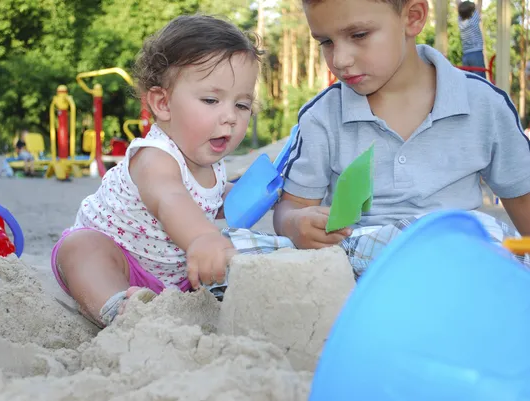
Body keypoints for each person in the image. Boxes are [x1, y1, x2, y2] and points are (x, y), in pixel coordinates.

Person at [51, 15, 293, 328]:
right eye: (211, 100)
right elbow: (170, 199)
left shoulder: (212, 166)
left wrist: (263, 196)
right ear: (163, 104)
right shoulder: (155, 157)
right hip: (118, 259)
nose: (231, 117)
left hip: (172, 279)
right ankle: (116, 307)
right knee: (81, 248)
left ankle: (161, 303)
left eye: (242, 105)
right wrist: (204, 238)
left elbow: (212, 201)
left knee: (221, 259)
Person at [273, 0, 530, 278]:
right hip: (363, 271)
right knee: (240, 247)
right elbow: (292, 207)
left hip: (458, 264)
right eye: (326, 41)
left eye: (358, 35)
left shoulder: (484, 104)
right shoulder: (322, 116)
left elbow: (524, 204)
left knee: (495, 242)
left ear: (413, 18)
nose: (340, 60)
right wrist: (293, 223)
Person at [457, 0, 486, 78]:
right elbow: (479, 6)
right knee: (480, 80)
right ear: (472, 12)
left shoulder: (460, 22)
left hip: (466, 56)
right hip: (476, 53)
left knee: (469, 80)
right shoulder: (473, 21)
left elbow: (459, 5)